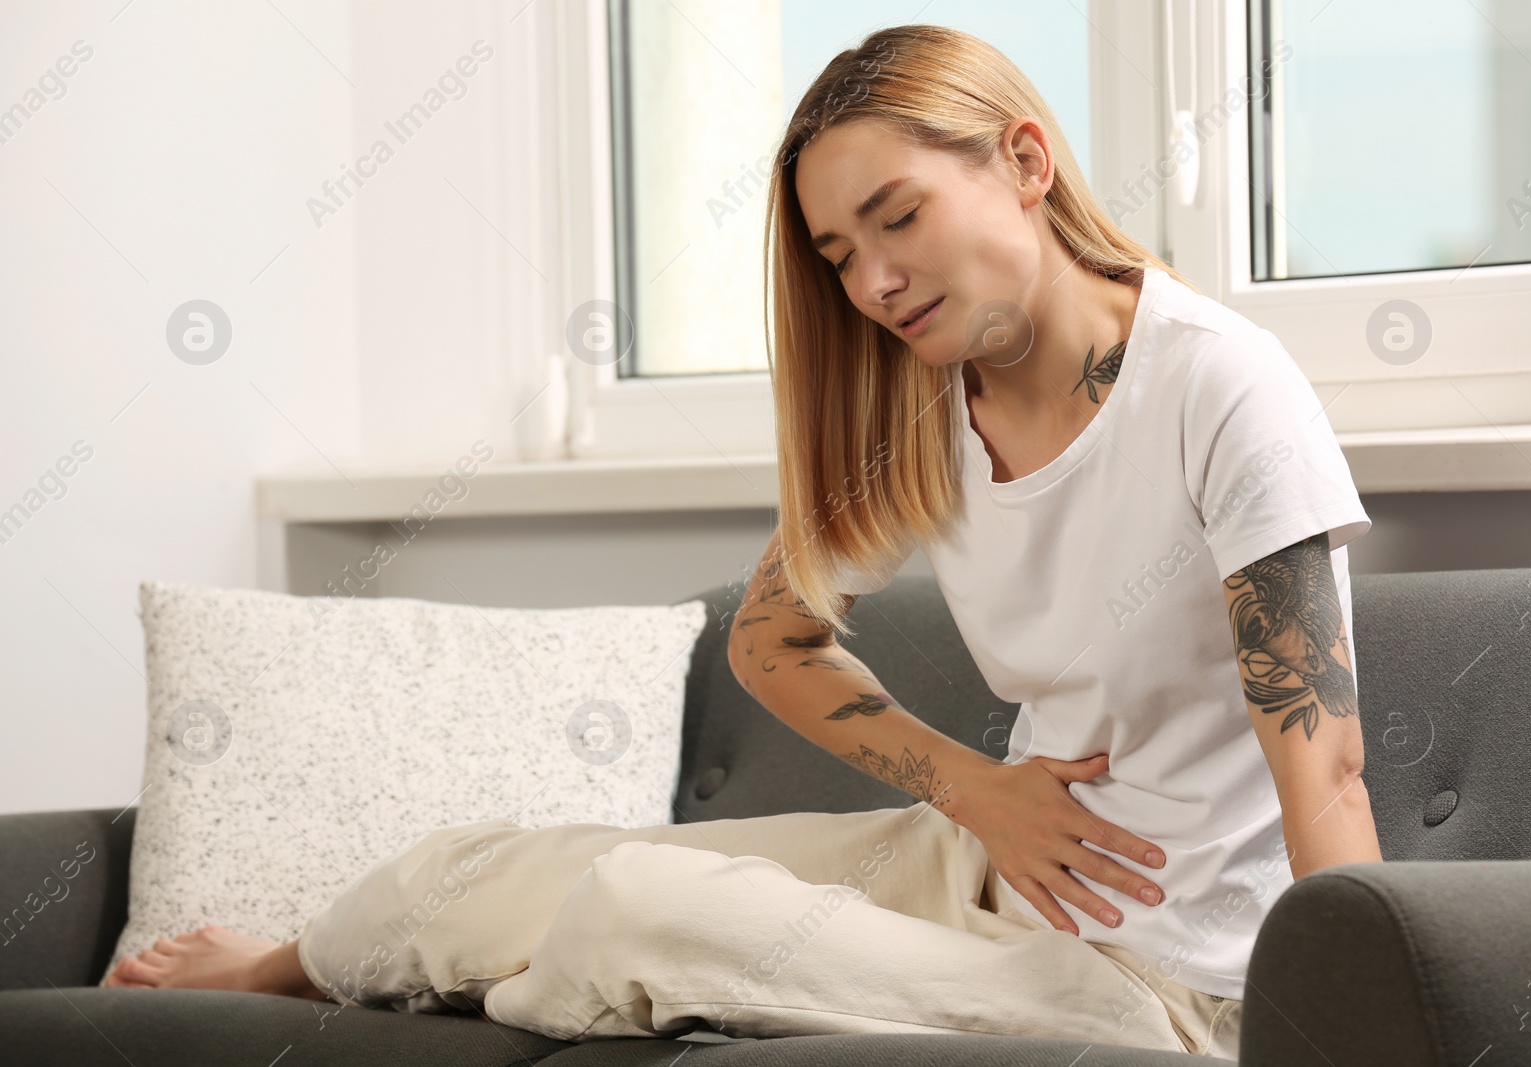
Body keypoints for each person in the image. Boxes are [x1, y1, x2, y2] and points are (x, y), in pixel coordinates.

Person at [99, 24, 1384, 1060]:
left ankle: (515, 986)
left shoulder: (1219, 386)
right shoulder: (930, 414)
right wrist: (973, 788)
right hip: (982, 873)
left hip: (1165, 984)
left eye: (897, 216)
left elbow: (1325, 775)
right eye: (838, 253)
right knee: (475, 870)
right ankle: (284, 967)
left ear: (1026, 161)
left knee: (636, 907)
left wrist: (1342, 1031)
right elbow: (771, 640)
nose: (873, 282)